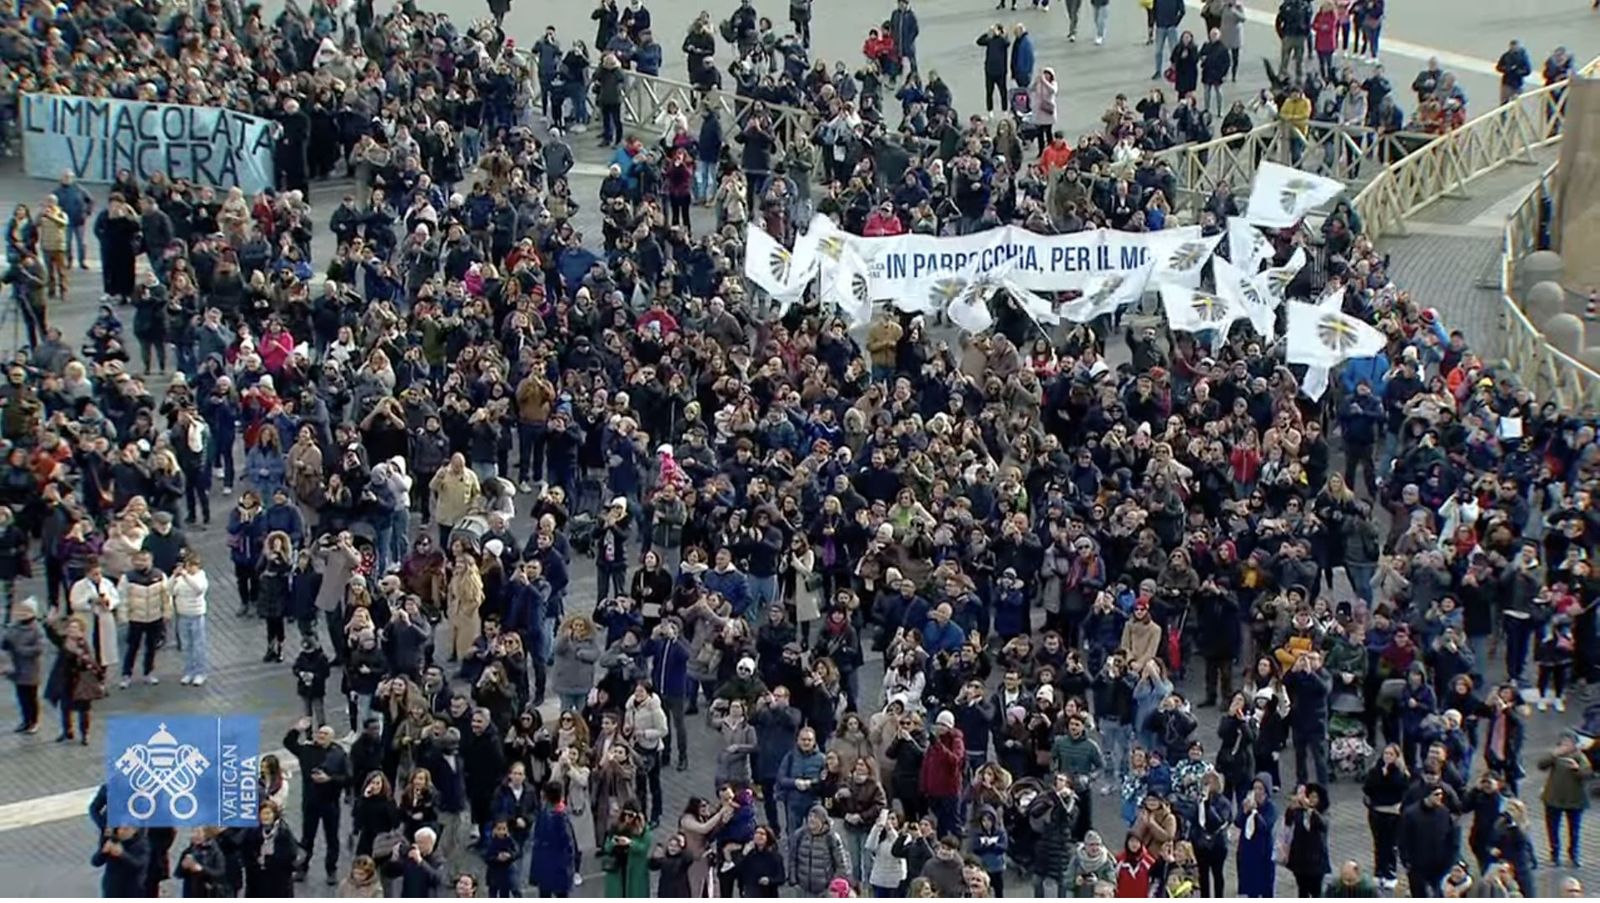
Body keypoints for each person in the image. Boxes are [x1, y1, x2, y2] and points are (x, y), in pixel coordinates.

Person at [283, 717, 351, 886]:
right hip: (310, 802)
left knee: (332, 838)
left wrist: (330, 779)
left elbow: (349, 778)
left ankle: (331, 869)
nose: (320, 735)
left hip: (330, 803)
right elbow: (288, 743)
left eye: (325, 733)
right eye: (319, 733)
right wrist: (296, 729)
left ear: (331, 738)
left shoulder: (339, 754)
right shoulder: (307, 751)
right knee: (307, 837)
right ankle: (302, 867)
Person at [1537, 732, 1592, 867]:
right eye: (1563, 743)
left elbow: (1588, 774)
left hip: (1574, 800)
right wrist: (1553, 755)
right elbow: (1541, 765)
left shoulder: (1580, 757)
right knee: (1553, 828)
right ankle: (1554, 854)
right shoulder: (1555, 756)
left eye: (1569, 743)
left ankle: (1574, 855)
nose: (1565, 746)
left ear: (1575, 745)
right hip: (1554, 797)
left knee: (1574, 830)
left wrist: (1577, 769)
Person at [2, 597, 45, 733]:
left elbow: (39, 648)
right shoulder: (13, 626)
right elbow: (5, 641)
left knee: (31, 697)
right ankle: (25, 721)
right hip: (16, 667)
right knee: (21, 696)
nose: (21, 614)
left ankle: (34, 721)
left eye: (25, 612)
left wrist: (21, 649)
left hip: (31, 668)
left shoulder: (37, 629)